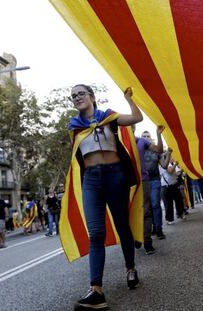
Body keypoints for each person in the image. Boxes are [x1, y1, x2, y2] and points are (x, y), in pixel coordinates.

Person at [66, 84, 143, 310]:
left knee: (122, 226)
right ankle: (96, 290)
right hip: (91, 180)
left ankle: (131, 268)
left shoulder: (108, 117)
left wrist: (128, 99)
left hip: (115, 176)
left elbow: (137, 117)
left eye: (80, 93)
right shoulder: (74, 125)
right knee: (96, 233)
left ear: (91, 96)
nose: (77, 98)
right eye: (73, 96)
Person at [136, 126, 166, 249]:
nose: (146, 138)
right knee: (141, 208)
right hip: (137, 181)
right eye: (144, 136)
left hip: (153, 180)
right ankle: (141, 233)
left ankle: (157, 229)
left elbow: (164, 165)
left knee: (153, 204)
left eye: (148, 137)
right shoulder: (137, 147)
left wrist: (167, 153)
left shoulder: (153, 150)